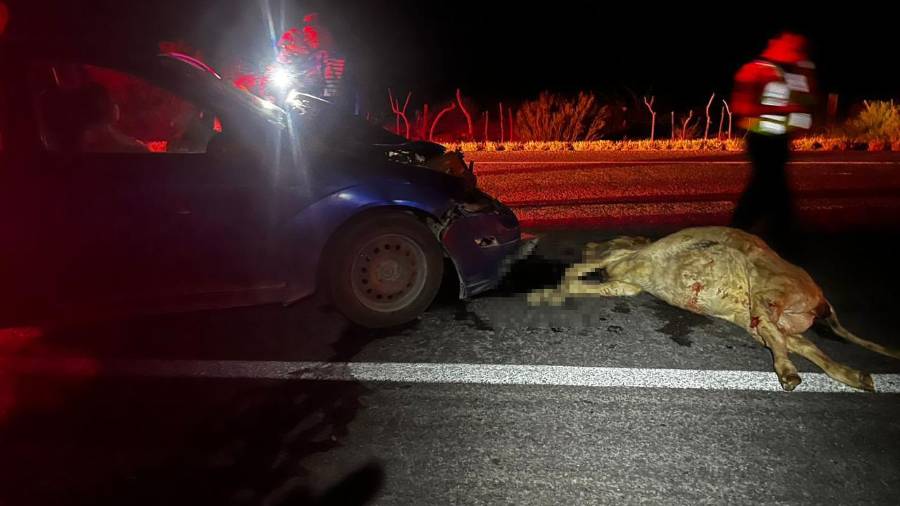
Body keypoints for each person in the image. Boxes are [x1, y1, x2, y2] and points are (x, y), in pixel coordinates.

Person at [730, 31, 816, 256]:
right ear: (775, 44)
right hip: (761, 140)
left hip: (780, 141)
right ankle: (782, 242)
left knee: (766, 190)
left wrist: (805, 75)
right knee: (771, 190)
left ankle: (743, 233)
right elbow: (742, 107)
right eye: (793, 46)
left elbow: (808, 101)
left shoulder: (795, 73)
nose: (798, 52)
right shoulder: (755, 70)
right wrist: (785, 110)